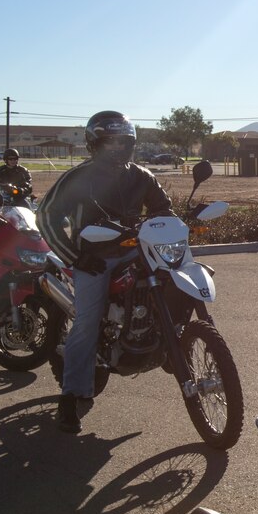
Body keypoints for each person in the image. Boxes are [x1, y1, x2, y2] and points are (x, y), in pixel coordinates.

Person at [37, 111, 172, 433]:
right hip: (94, 258)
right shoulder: (78, 177)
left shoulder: (141, 176)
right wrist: (76, 257)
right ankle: (72, 396)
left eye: (124, 142)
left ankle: (169, 345)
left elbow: (163, 210)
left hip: (136, 252)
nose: (118, 148)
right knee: (87, 322)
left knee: (173, 283)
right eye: (110, 142)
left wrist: (169, 226)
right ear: (94, 145)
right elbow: (46, 216)